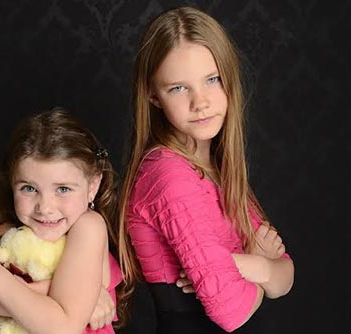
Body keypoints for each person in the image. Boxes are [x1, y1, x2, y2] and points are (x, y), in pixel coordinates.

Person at [116, 6, 294, 333]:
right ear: (154, 96)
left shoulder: (213, 168)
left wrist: (247, 263)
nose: (201, 102)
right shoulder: (167, 174)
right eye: (179, 88)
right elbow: (230, 311)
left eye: (212, 80)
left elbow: (285, 277)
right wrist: (259, 262)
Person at [0, 107, 123, 334]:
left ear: (93, 186)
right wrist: (75, 299)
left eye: (63, 189)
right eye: (29, 188)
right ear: (12, 184)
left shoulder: (88, 227)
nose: (45, 208)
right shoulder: (7, 232)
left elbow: (63, 327)